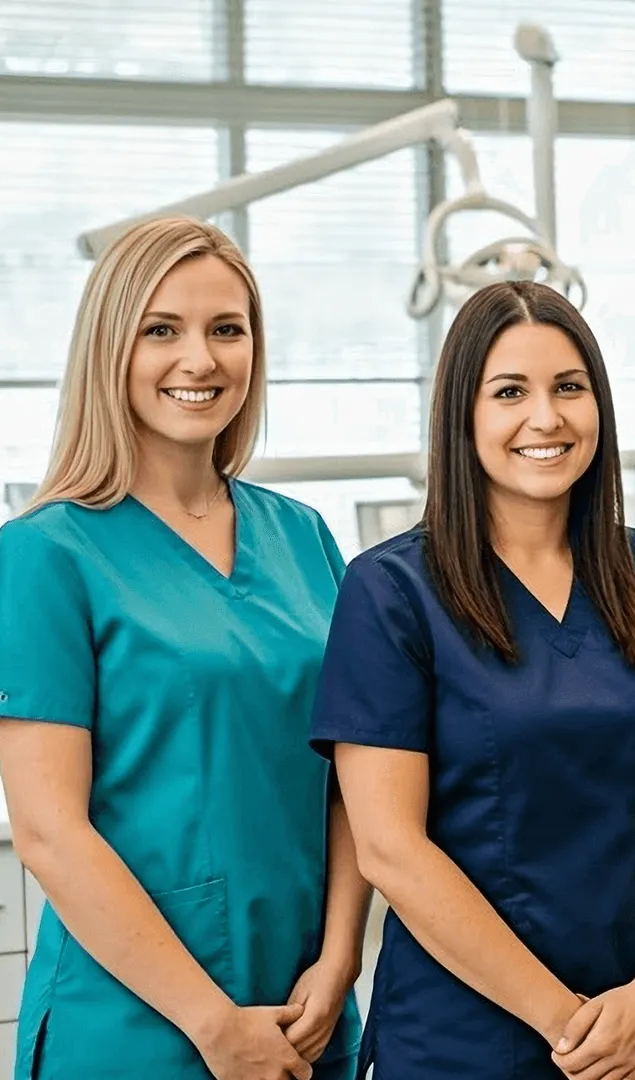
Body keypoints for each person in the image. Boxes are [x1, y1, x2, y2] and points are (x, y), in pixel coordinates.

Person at [310, 280, 635, 1080]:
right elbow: (390, 848)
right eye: (510, 392)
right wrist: (571, 1026)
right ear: (462, 415)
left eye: (569, 388)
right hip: (470, 1041)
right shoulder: (392, 593)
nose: (547, 418)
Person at [0, 216, 365, 1079]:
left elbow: (357, 780)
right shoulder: (46, 554)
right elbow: (50, 831)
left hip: (306, 1007)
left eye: (226, 330)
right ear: (109, 350)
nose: (199, 360)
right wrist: (213, 1023)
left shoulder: (304, 537)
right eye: (161, 330)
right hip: (136, 1023)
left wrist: (342, 958)